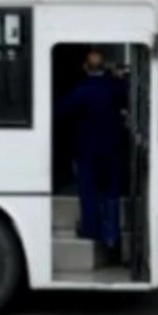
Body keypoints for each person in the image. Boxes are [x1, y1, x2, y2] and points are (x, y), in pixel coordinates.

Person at [57, 49, 127, 252]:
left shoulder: (81, 91)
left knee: (88, 193)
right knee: (111, 193)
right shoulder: (115, 88)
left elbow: (60, 111)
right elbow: (128, 96)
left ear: (85, 67)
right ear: (104, 67)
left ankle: (92, 231)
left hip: (86, 151)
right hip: (113, 149)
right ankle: (112, 236)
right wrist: (119, 78)